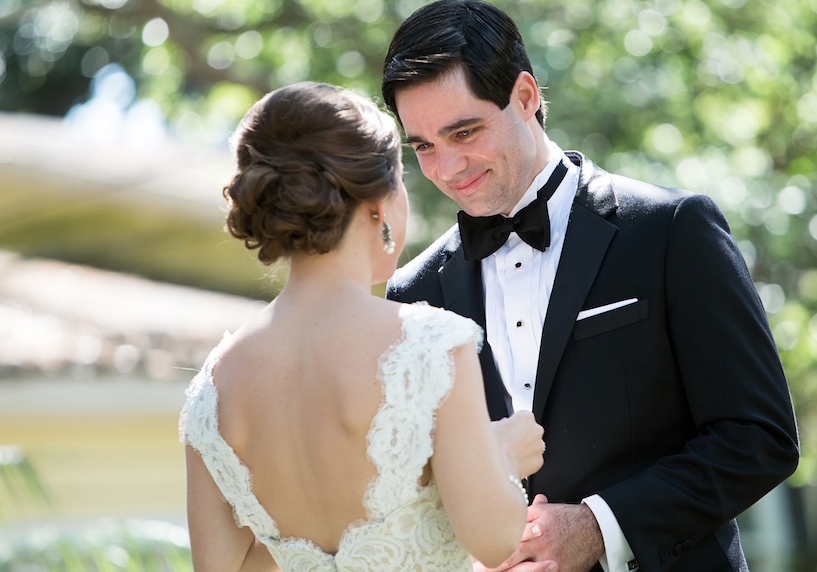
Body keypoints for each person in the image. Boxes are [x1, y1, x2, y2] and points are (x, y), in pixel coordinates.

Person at [382, 0, 800, 572]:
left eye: (465, 131)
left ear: (525, 97)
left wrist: (601, 527)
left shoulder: (670, 232)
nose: (447, 167)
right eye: (424, 146)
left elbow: (760, 437)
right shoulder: (411, 296)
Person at [178, 81, 547, 572]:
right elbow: (495, 538)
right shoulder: (428, 345)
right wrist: (502, 455)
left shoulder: (214, 387)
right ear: (380, 202)